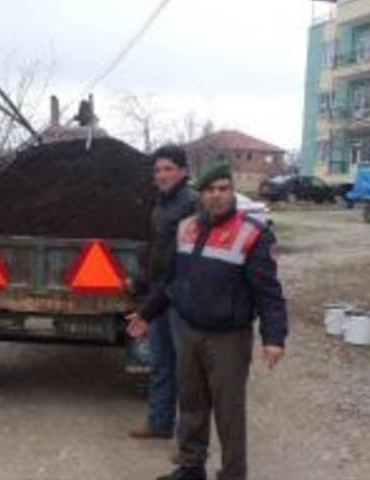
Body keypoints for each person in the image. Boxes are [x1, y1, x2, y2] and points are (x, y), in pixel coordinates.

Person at [127, 164, 288, 480]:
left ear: (233, 192)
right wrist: (147, 312)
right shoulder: (187, 228)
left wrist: (274, 337)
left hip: (228, 339)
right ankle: (191, 468)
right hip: (189, 331)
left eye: (224, 188)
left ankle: (232, 474)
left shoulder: (253, 234)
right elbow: (172, 281)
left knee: (228, 413)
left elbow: (269, 293)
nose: (217, 195)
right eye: (211, 189)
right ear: (200, 194)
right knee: (191, 406)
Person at [130, 144, 198, 440]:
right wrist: (143, 284)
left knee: (187, 368)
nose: (162, 174)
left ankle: (189, 431)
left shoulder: (192, 203)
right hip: (160, 294)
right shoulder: (161, 204)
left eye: (168, 168)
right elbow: (157, 250)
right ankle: (159, 422)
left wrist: (155, 298)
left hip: (182, 296)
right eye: (158, 169)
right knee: (160, 363)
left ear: (183, 171)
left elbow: (183, 259)